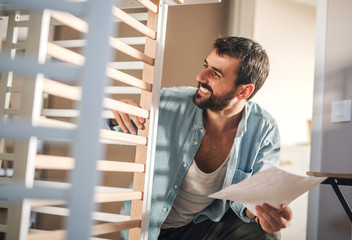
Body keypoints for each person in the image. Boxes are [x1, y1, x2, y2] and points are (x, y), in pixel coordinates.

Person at [107, 36, 293, 239]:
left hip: (203, 225)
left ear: (244, 91)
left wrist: (264, 214)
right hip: (150, 229)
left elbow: (253, 198)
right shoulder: (170, 102)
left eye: (216, 74)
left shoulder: (264, 129)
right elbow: (108, 131)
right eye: (206, 66)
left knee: (266, 234)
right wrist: (120, 114)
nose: (200, 76)